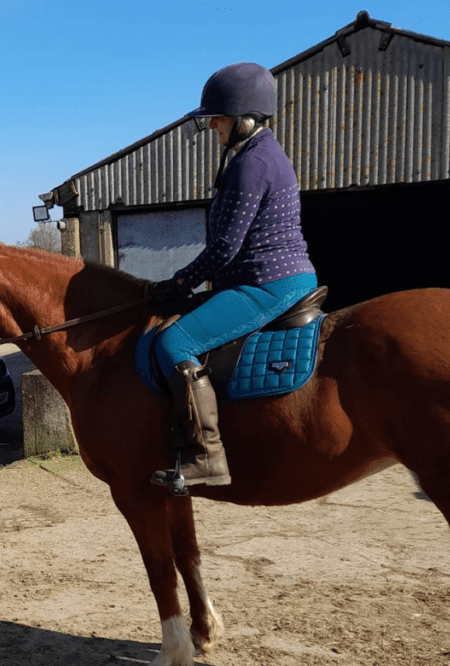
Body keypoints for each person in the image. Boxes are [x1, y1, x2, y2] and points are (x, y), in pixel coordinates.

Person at [149, 63, 317, 492]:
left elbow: (226, 246)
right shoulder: (256, 156)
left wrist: (179, 282)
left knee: (175, 341)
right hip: (270, 277)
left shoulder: (253, 163)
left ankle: (207, 456)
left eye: (218, 118)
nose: (213, 127)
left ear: (245, 117)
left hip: (266, 281)